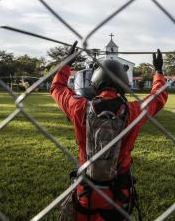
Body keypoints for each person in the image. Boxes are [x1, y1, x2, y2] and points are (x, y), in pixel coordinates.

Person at [51, 41, 168, 221]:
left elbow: (57, 88)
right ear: (123, 85)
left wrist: (66, 64)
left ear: (95, 83)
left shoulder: (79, 107)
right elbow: (158, 97)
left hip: (87, 189)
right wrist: (158, 72)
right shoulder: (133, 111)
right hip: (118, 190)